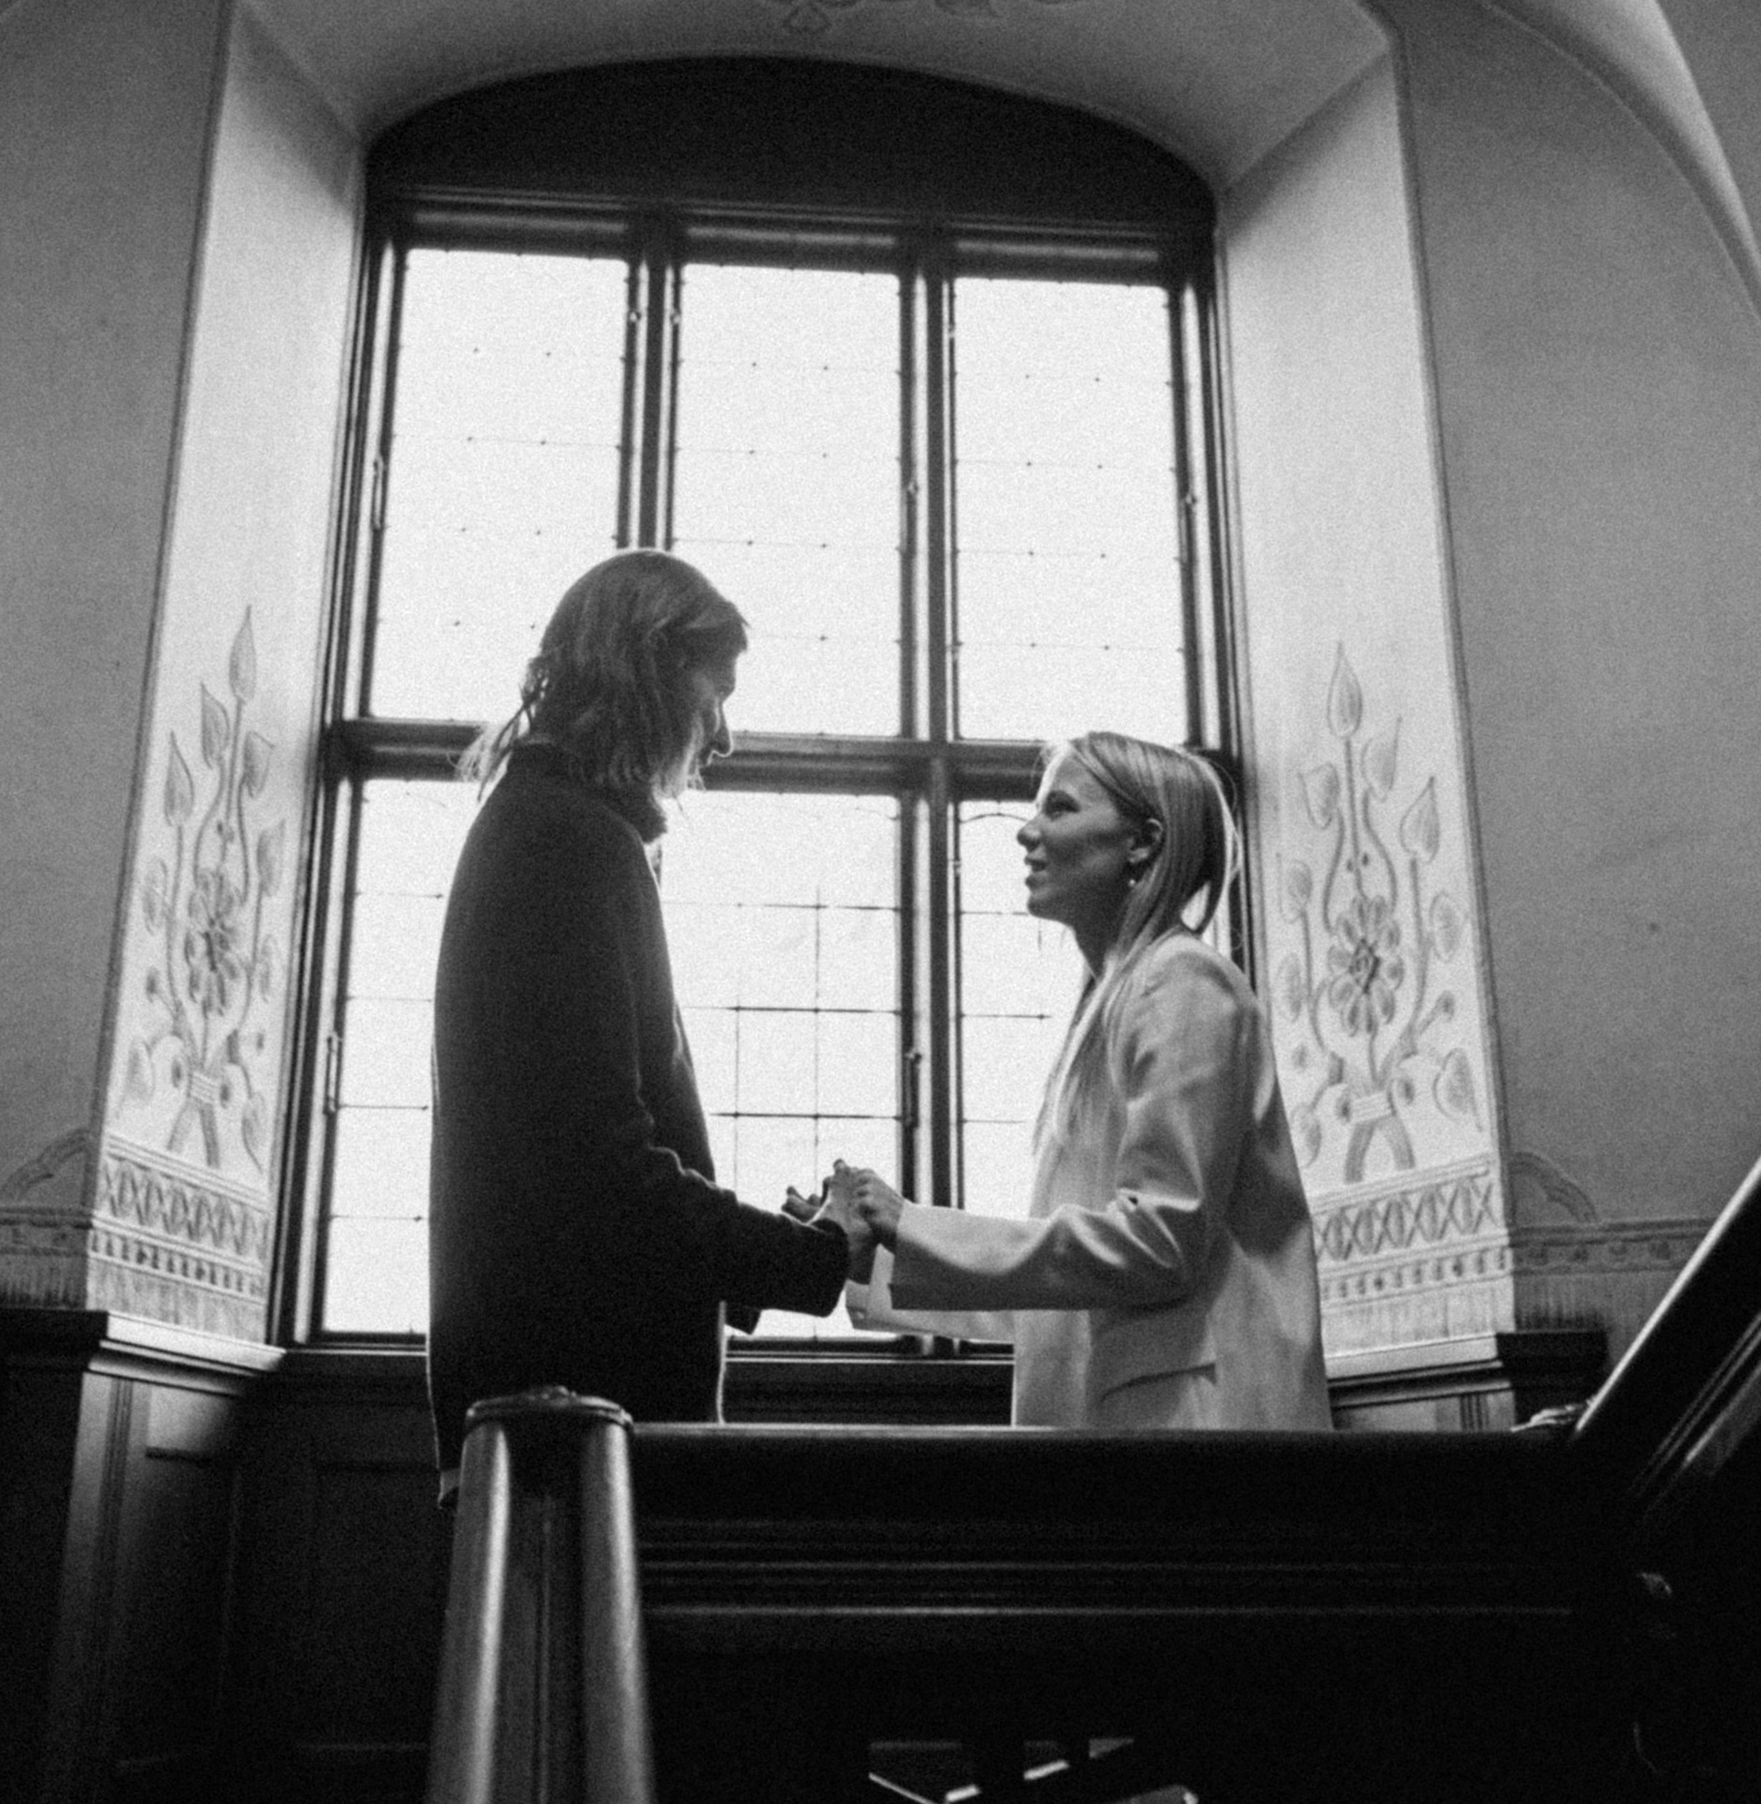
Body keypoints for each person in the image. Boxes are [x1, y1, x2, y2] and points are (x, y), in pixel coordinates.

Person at [427, 549, 868, 1488]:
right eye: (715, 700)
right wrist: (817, 1257)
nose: (724, 737)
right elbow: (604, 1178)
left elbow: (576, 1162)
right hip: (571, 1427)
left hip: (562, 1415)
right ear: (651, 676)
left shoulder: (549, 829)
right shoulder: (567, 844)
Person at [831, 731, 1330, 1433]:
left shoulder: (1184, 982)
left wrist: (913, 1224)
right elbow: (1065, 1293)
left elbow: (1158, 1245)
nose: (1027, 832)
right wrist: (879, 1251)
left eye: (1060, 807)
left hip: (1199, 1427)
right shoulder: (1115, 1002)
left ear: (1143, 842)